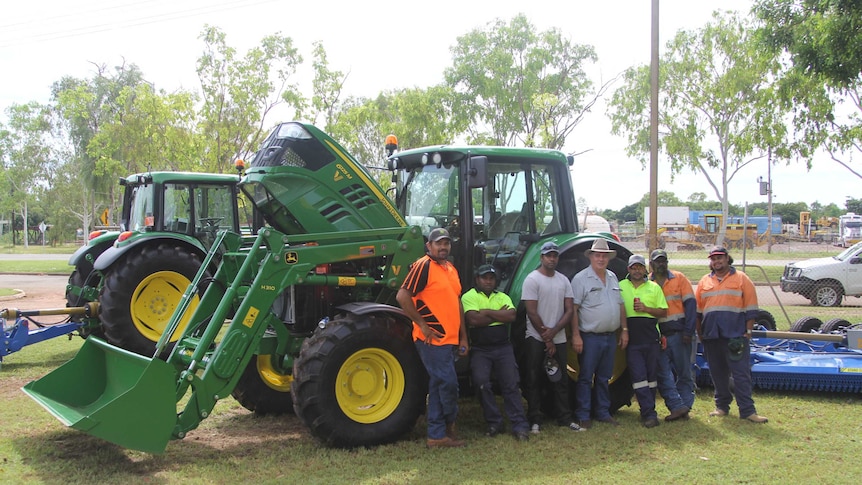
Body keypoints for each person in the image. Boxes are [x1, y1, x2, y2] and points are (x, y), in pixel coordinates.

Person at [396, 227, 470, 448]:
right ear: (429, 246)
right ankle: (449, 422)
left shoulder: (450, 269)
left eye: (446, 243)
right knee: (448, 384)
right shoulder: (423, 266)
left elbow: (457, 303)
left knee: (439, 384)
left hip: (450, 339)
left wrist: (463, 337)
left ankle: (436, 435)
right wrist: (422, 324)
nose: (443, 247)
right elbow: (402, 296)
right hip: (431, 340)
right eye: (438, 243)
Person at [695, 246, 768, 423]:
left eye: (720, 258)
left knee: (741, 374)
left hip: (735, 336)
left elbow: (751, 308)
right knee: (717, 374)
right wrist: (701, 334)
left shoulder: (742, 279)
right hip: (712, 336)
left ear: (727, 258)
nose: (716, 261)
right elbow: (698, 312)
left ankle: (747, 411)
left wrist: (748, 332)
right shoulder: (704, 282)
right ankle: (721, 407)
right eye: (713, 259)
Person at [462, 264, 530, 441]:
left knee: (511, 384)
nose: (488, 281)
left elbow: (511, 317)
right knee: (481, 383)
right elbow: (473, 319)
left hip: (503, 347)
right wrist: (497, 315)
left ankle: (519, 425)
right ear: (477, 279)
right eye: (484, 278)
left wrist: (486, 312)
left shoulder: (503, 296)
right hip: (480, 349)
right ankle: (495, 422)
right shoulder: (469, 296)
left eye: (491, 278)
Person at [522, 241, 584, 433]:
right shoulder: (532, 280)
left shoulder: (563, 280)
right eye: (548, 255)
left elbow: (569, 310)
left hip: (557, 337)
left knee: (561, 378)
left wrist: (555, 331)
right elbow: (531, 312)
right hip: (535, 336)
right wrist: (546, 337)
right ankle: (535, 419)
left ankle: (564, 417)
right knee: (534, 378)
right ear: (541, 257)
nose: (551, 258)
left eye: (554, 255)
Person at [571, 238, 628, 429]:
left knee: (604, 377)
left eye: (604, 256)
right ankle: (583, 415)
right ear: (591, 257)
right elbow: (573, 309)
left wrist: (624, 330)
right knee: (586, 377)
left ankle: (603, 412)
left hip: (610, 336)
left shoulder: (612, 277)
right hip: (590, 337)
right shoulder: (580, 279)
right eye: (598, 255)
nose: (601, 259)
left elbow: (620, 305)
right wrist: (576, 335)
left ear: (609, 258)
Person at [619, 254, 668, 428]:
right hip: (632, 340)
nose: (636, 270)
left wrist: (646, 309)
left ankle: (647, 409)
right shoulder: (620, 286)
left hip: (651, 338)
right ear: (628, 269)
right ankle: (649, 414)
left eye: (639, 267)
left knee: (651, 378)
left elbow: (663, 312)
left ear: (645, 269)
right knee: (639, 377)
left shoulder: (654, 288)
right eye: (633, 267)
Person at [649, 249, 696, 420]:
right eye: (657, 261)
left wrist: (688, 331)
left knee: (684, 373)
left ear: (667, 263)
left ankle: (686, 406)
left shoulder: (679, 279)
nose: (661, 264)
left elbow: (691, 306)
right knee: (663, 374)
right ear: (651, 264)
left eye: (663, 261)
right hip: (660, 337)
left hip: (679, 334)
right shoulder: (648, 282)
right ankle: (677, 406)